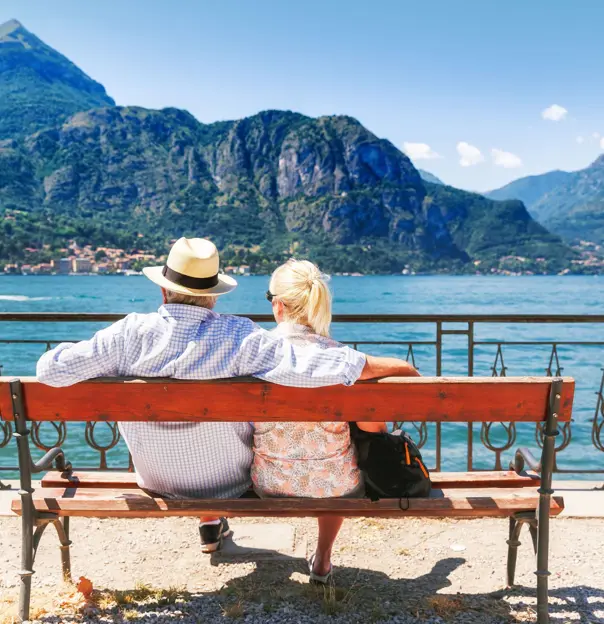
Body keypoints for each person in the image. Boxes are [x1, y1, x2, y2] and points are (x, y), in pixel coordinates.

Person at [36, 237, 419, 559]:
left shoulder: (126, 334)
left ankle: (209, 523)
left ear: (163, 288)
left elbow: (49, 371)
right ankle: (214, 517)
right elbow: (308, 363)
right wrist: (380, 364)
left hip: (153, 478)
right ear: (214, 296)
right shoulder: (238, 337)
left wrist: (104, 357)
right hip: (228, 485)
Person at [252, 259, 420, 582]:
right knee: (340, 458)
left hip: (268, 483)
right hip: (336, 487)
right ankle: (323, 558)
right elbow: (404, 378)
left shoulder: (254, 353)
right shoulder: (344, 359)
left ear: (278, 306)